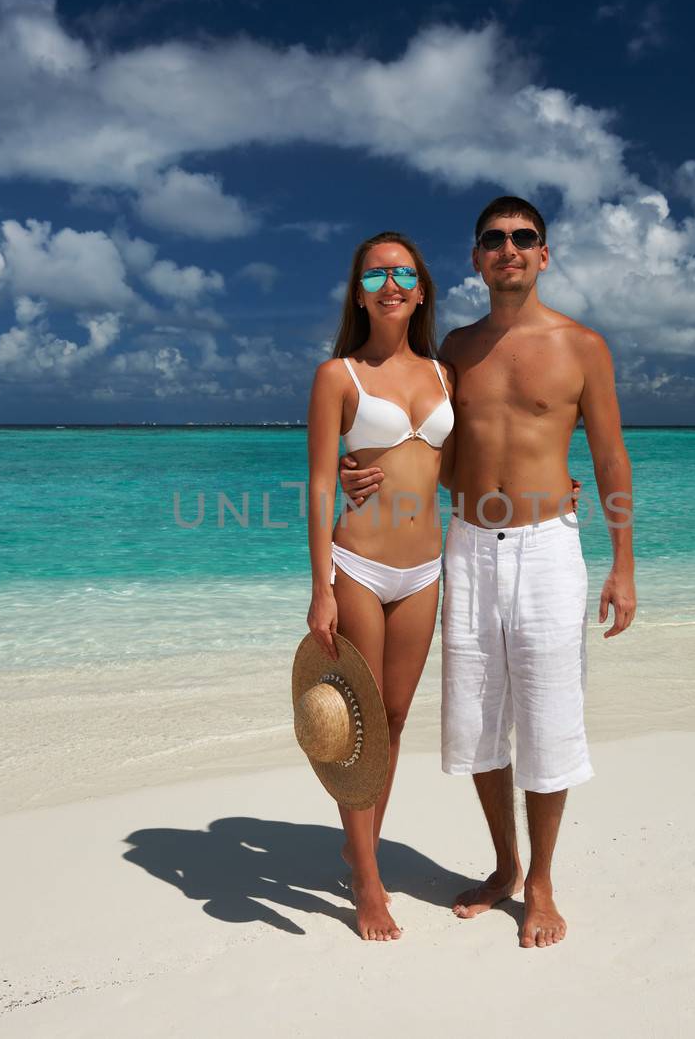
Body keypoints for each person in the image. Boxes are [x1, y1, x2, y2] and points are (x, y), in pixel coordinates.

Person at [341, 195, 637, 949]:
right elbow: (425, 451)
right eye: (494, 239)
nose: (509, 248)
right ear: (475, 259)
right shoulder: (453, 358)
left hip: (548, 548)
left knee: (547, 714)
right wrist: (358, 473)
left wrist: (623, 564)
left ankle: (541, 882)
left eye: (523, 237)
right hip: (468, 544)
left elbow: (608, 458)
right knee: (475, 718)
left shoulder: (583, 347)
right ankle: (505, 863)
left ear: (544, 254)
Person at [305, 230, 455, 941]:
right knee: (360, 728)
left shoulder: (446, 373)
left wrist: (550, 487)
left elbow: (450, 471)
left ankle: (358, 845)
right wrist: (322, 586)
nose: (389, 284)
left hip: (426, 567)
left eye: (402, 273)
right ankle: (366, 878)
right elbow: (319, 481)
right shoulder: (339, 374)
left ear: (421, 289)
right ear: (358, 293)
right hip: (359, 563)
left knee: (393, 721)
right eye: (374, 276)